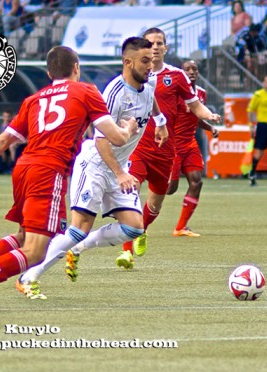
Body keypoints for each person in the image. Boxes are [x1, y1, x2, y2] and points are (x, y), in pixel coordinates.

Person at [0, 46, 137, 311]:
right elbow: (115, 137)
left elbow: (3, 140)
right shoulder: (86, 91)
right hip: (48, 170)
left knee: (24, 237)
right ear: (76, 67)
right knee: (36, 251)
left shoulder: (34, 99)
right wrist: (128, 129)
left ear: (49, 73)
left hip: (23, 167)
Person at [15, 37, 167, 299]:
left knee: (133, 228)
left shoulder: (149, 81)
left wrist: (160, 121)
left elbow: (150, 98)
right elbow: (100, 140)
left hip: (119, 166)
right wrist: (119, 174)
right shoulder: (113, 94)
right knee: (79, 227)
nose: (150, 66)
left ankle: (76, 248)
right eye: (144, 61)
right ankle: (29, 276)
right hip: (96, 162)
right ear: (127, 62)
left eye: (152, 60)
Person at [120, 29, 219, 259]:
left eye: (159, 43)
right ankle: (127, 250)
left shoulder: (176, 76)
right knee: (130, 192)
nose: (155, 47)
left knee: (155, 204)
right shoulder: (134, 73)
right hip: (137, 146)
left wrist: (209, 115)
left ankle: (141, 230)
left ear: (166, 48)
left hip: (165, 149)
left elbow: (195, 106)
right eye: (151, 43)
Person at [165, 60, 220, 238]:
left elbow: (196, 117)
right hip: (173, 145)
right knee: (168, 189)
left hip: (190, 143)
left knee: (196, 181)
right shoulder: (175, 92)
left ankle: (181, 227)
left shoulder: (201, 93)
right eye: (187, 69)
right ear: (181, 72)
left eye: (194, 69)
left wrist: (210, 127)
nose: (191, 72)